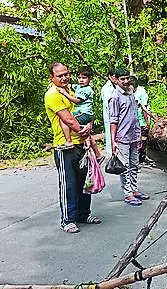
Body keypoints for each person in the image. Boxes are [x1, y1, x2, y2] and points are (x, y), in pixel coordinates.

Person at [44, 62, 101, 233]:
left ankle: (83, 214)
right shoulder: (53, 95)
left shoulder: (73, 90)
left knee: (85, 180)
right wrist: (86, 133)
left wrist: (89, 127)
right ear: (52, 78)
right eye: (60, 75)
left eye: (66, 74)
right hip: (64, 146)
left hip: (81, 143)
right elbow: (68, 119)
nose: (64, 77)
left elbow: (85, 110)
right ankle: (68, 219)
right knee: (68, 183)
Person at [109, 67, 149, 206]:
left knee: (134, 164)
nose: (125, 81)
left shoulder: (131, 92)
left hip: (134, 135)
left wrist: (138, 135)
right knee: (125, 166)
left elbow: (134, 116)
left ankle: (134, 189)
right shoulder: (115, 97)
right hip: (122, 137)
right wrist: (113, 140)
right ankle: (128, 193)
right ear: (116, 80)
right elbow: (113, 121)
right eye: (122, 79)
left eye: (127, 78)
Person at [56, 66, 103, 160]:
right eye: (79, 78)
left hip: (84, 114)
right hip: (85, 113)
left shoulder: (87, 90)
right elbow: (69, 85)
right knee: (87, 135)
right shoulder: (79, 87)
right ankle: (97, 154)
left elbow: (77, 101)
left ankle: (68, 141)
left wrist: (64, 93)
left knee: (64, 120)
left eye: (84, 78)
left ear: (90, 79)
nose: (81, 80)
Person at [133, 75, 151, 164]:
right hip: (142, 121)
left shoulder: (134, 91)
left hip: (135, 120)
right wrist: (147, 122)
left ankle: (138, 158)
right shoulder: (142, 92)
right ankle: (140, 159)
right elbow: (144, 109)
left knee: (137, 140)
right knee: (143, 140)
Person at [101, 68, 117, 155]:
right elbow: (109, 105)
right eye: (113, 76)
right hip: (110, 117)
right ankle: (111, 155)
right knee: (110, 135)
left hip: (115, 117)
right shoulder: (107, 88)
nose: (115, 78)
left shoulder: (116, 86)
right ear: (109, 76)